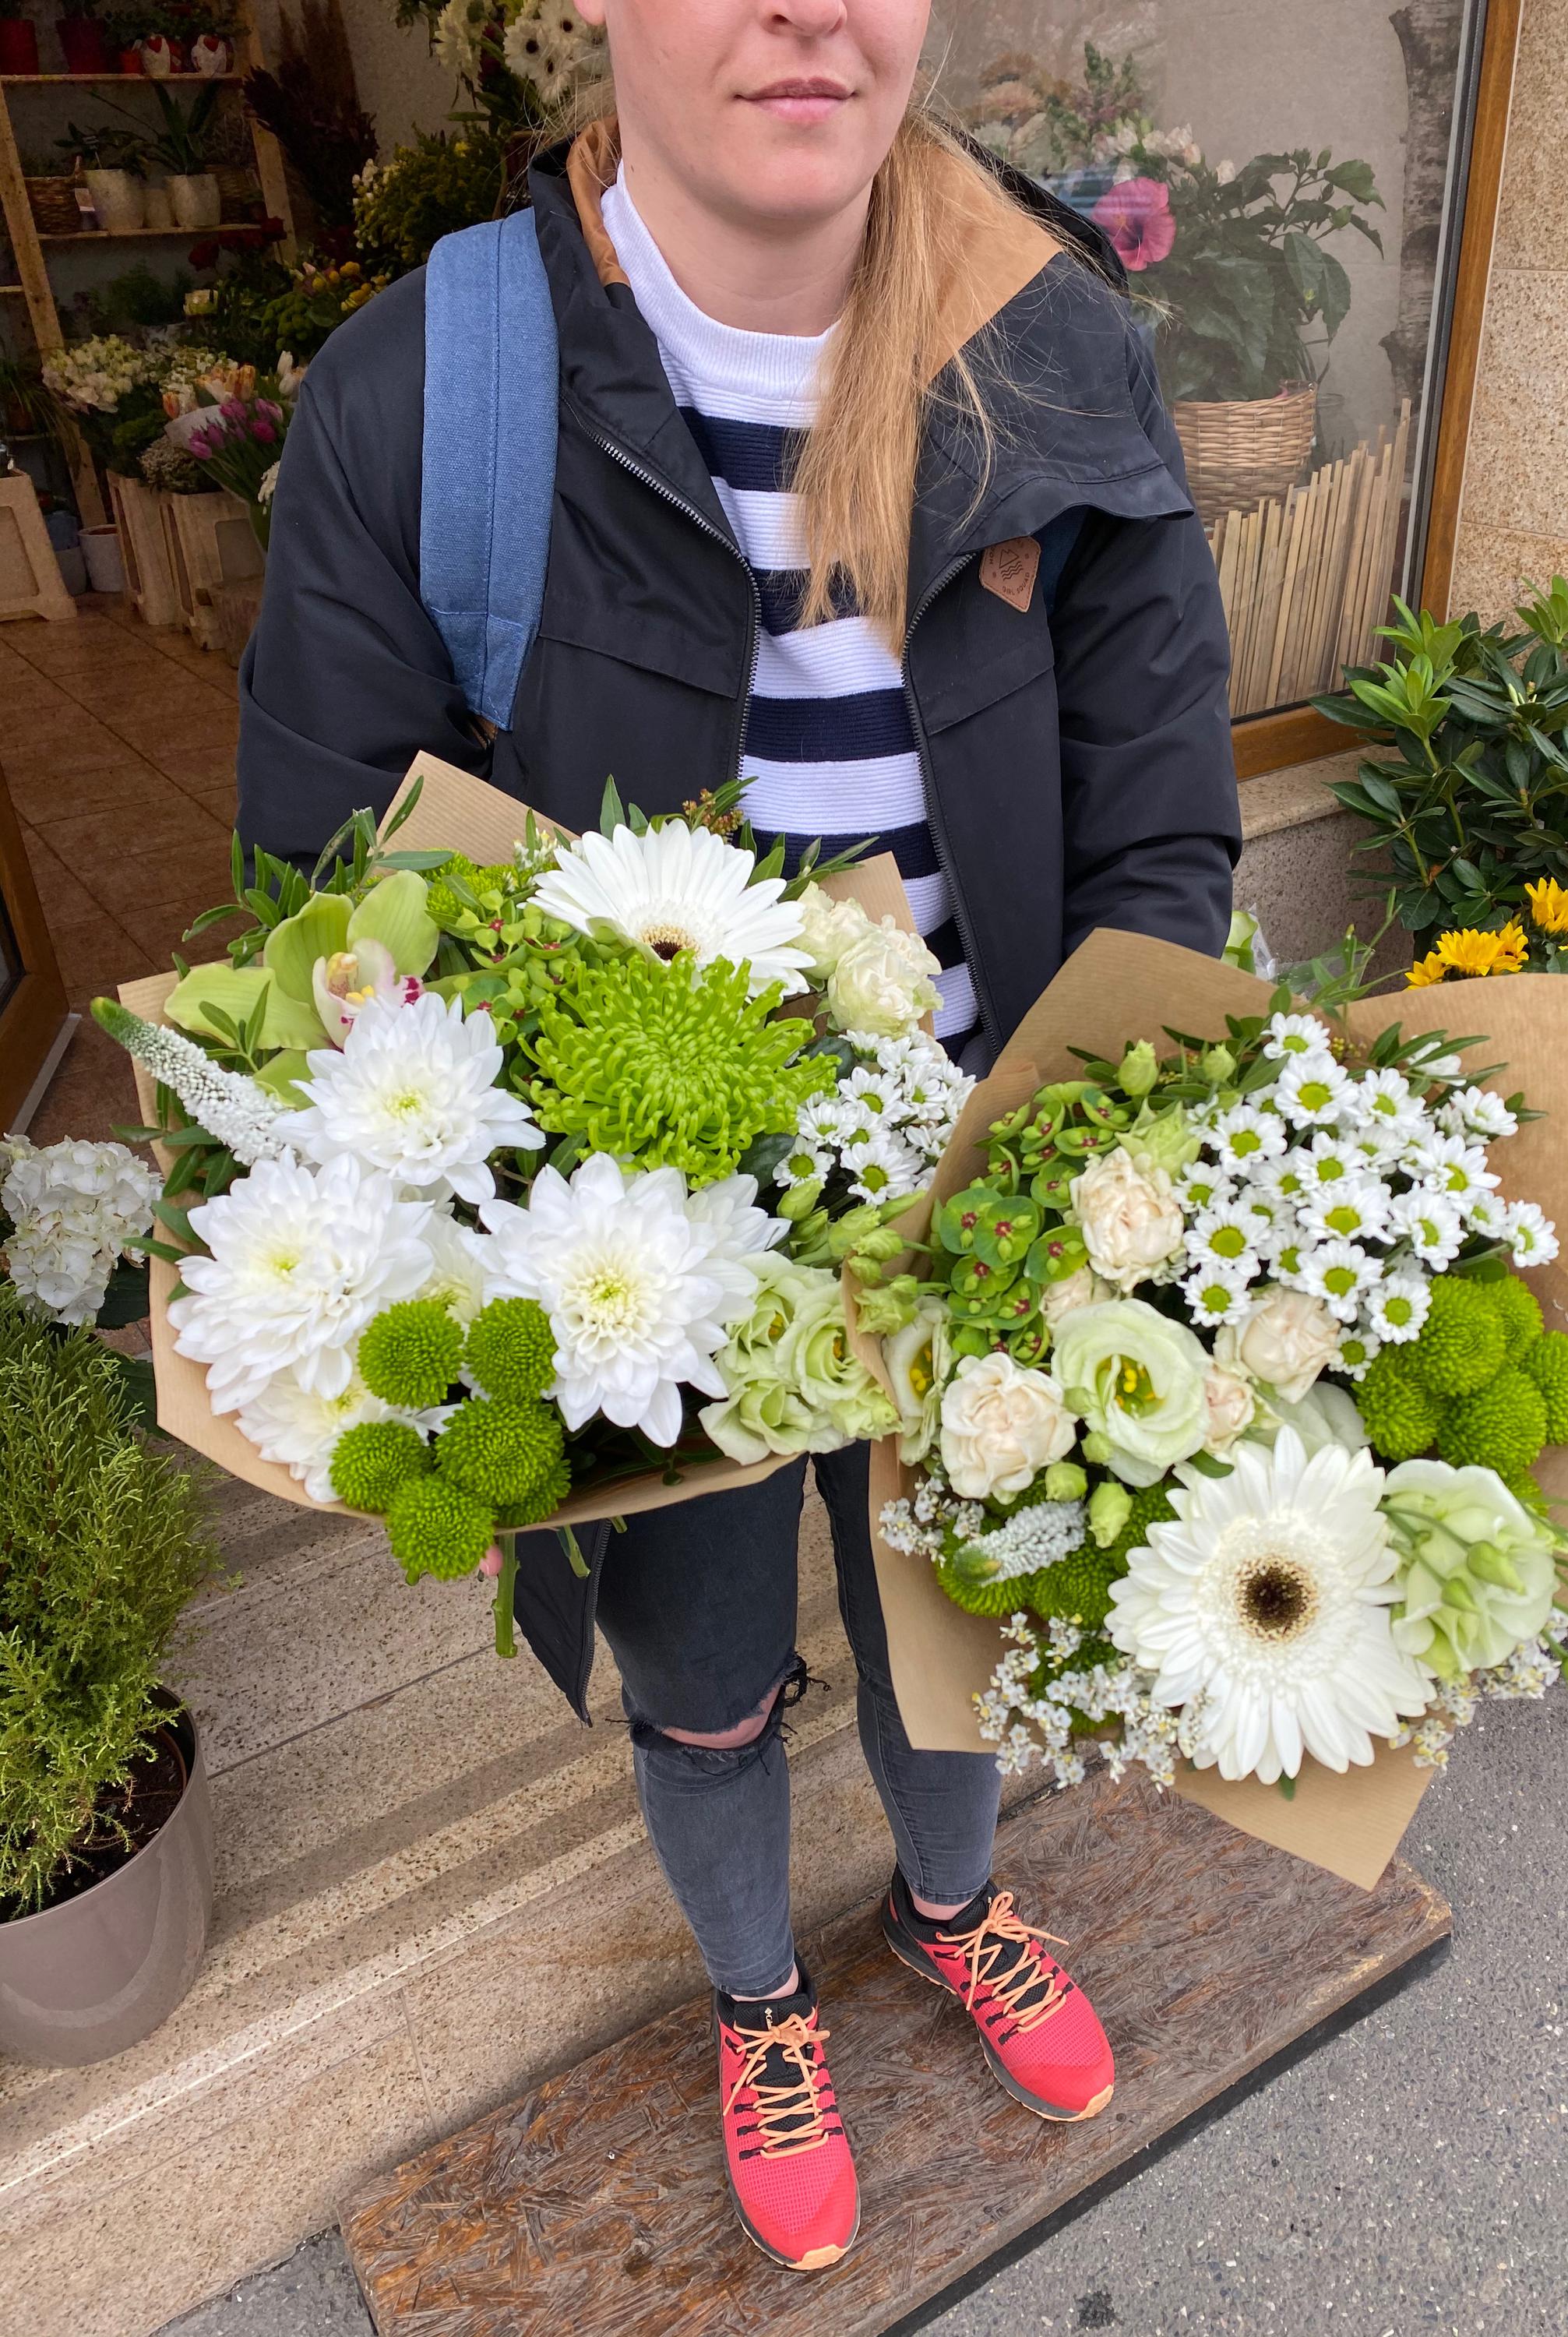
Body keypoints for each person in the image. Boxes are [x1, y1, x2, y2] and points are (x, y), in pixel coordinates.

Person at [238, 0, 1241, 2275]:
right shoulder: (432, 401)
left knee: (956, 1620)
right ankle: (756, 1998)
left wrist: (1101, 1151)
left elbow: (1164, 817)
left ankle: (953, 1905)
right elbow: (331, 894)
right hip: (634, 1265)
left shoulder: (1052, 342)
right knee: (702, 1677)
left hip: (989, 1189)